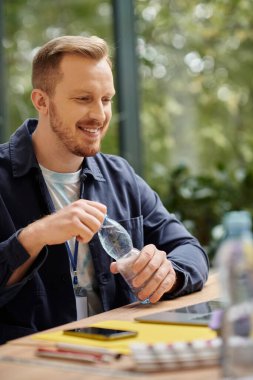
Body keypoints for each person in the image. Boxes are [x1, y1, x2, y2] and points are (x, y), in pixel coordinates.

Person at [0, 35, 209, 344]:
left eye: (106, 99)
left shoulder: (120, 175)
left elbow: (190, 250)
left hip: (116, 353)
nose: (99, 115)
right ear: (41, 101)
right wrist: (34, 236)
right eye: (83, 99)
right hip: (31, 363)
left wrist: (169, 274)